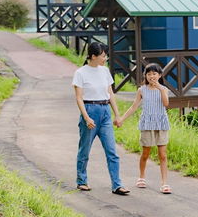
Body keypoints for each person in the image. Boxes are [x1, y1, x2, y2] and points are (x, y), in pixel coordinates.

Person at [72, 42, 130, 195]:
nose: (106, 58)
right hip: (89, 110)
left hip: (105, 112)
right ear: (93, 56)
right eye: (103, 56)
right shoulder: (80, 73)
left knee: (112, 151)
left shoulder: (104, 71)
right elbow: (78, 98)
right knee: (84, 149)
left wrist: (117, 115)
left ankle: (117, 184)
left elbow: (110, 93)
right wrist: (86, 117)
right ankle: (82, 181)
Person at [116, 63, 171, 194]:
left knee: (162, 155)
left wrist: (160, 88)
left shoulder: (163, 89)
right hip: (147, 124)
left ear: (160, 75)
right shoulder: (142, 90)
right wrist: (121, 119)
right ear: (145, 76)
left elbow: (166, 104)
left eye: (154, 74)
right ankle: (141, 177)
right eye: (149, 74)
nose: (152, 76)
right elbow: (133, 107)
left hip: (161, 124)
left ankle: (164, 183)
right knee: (145, 153)